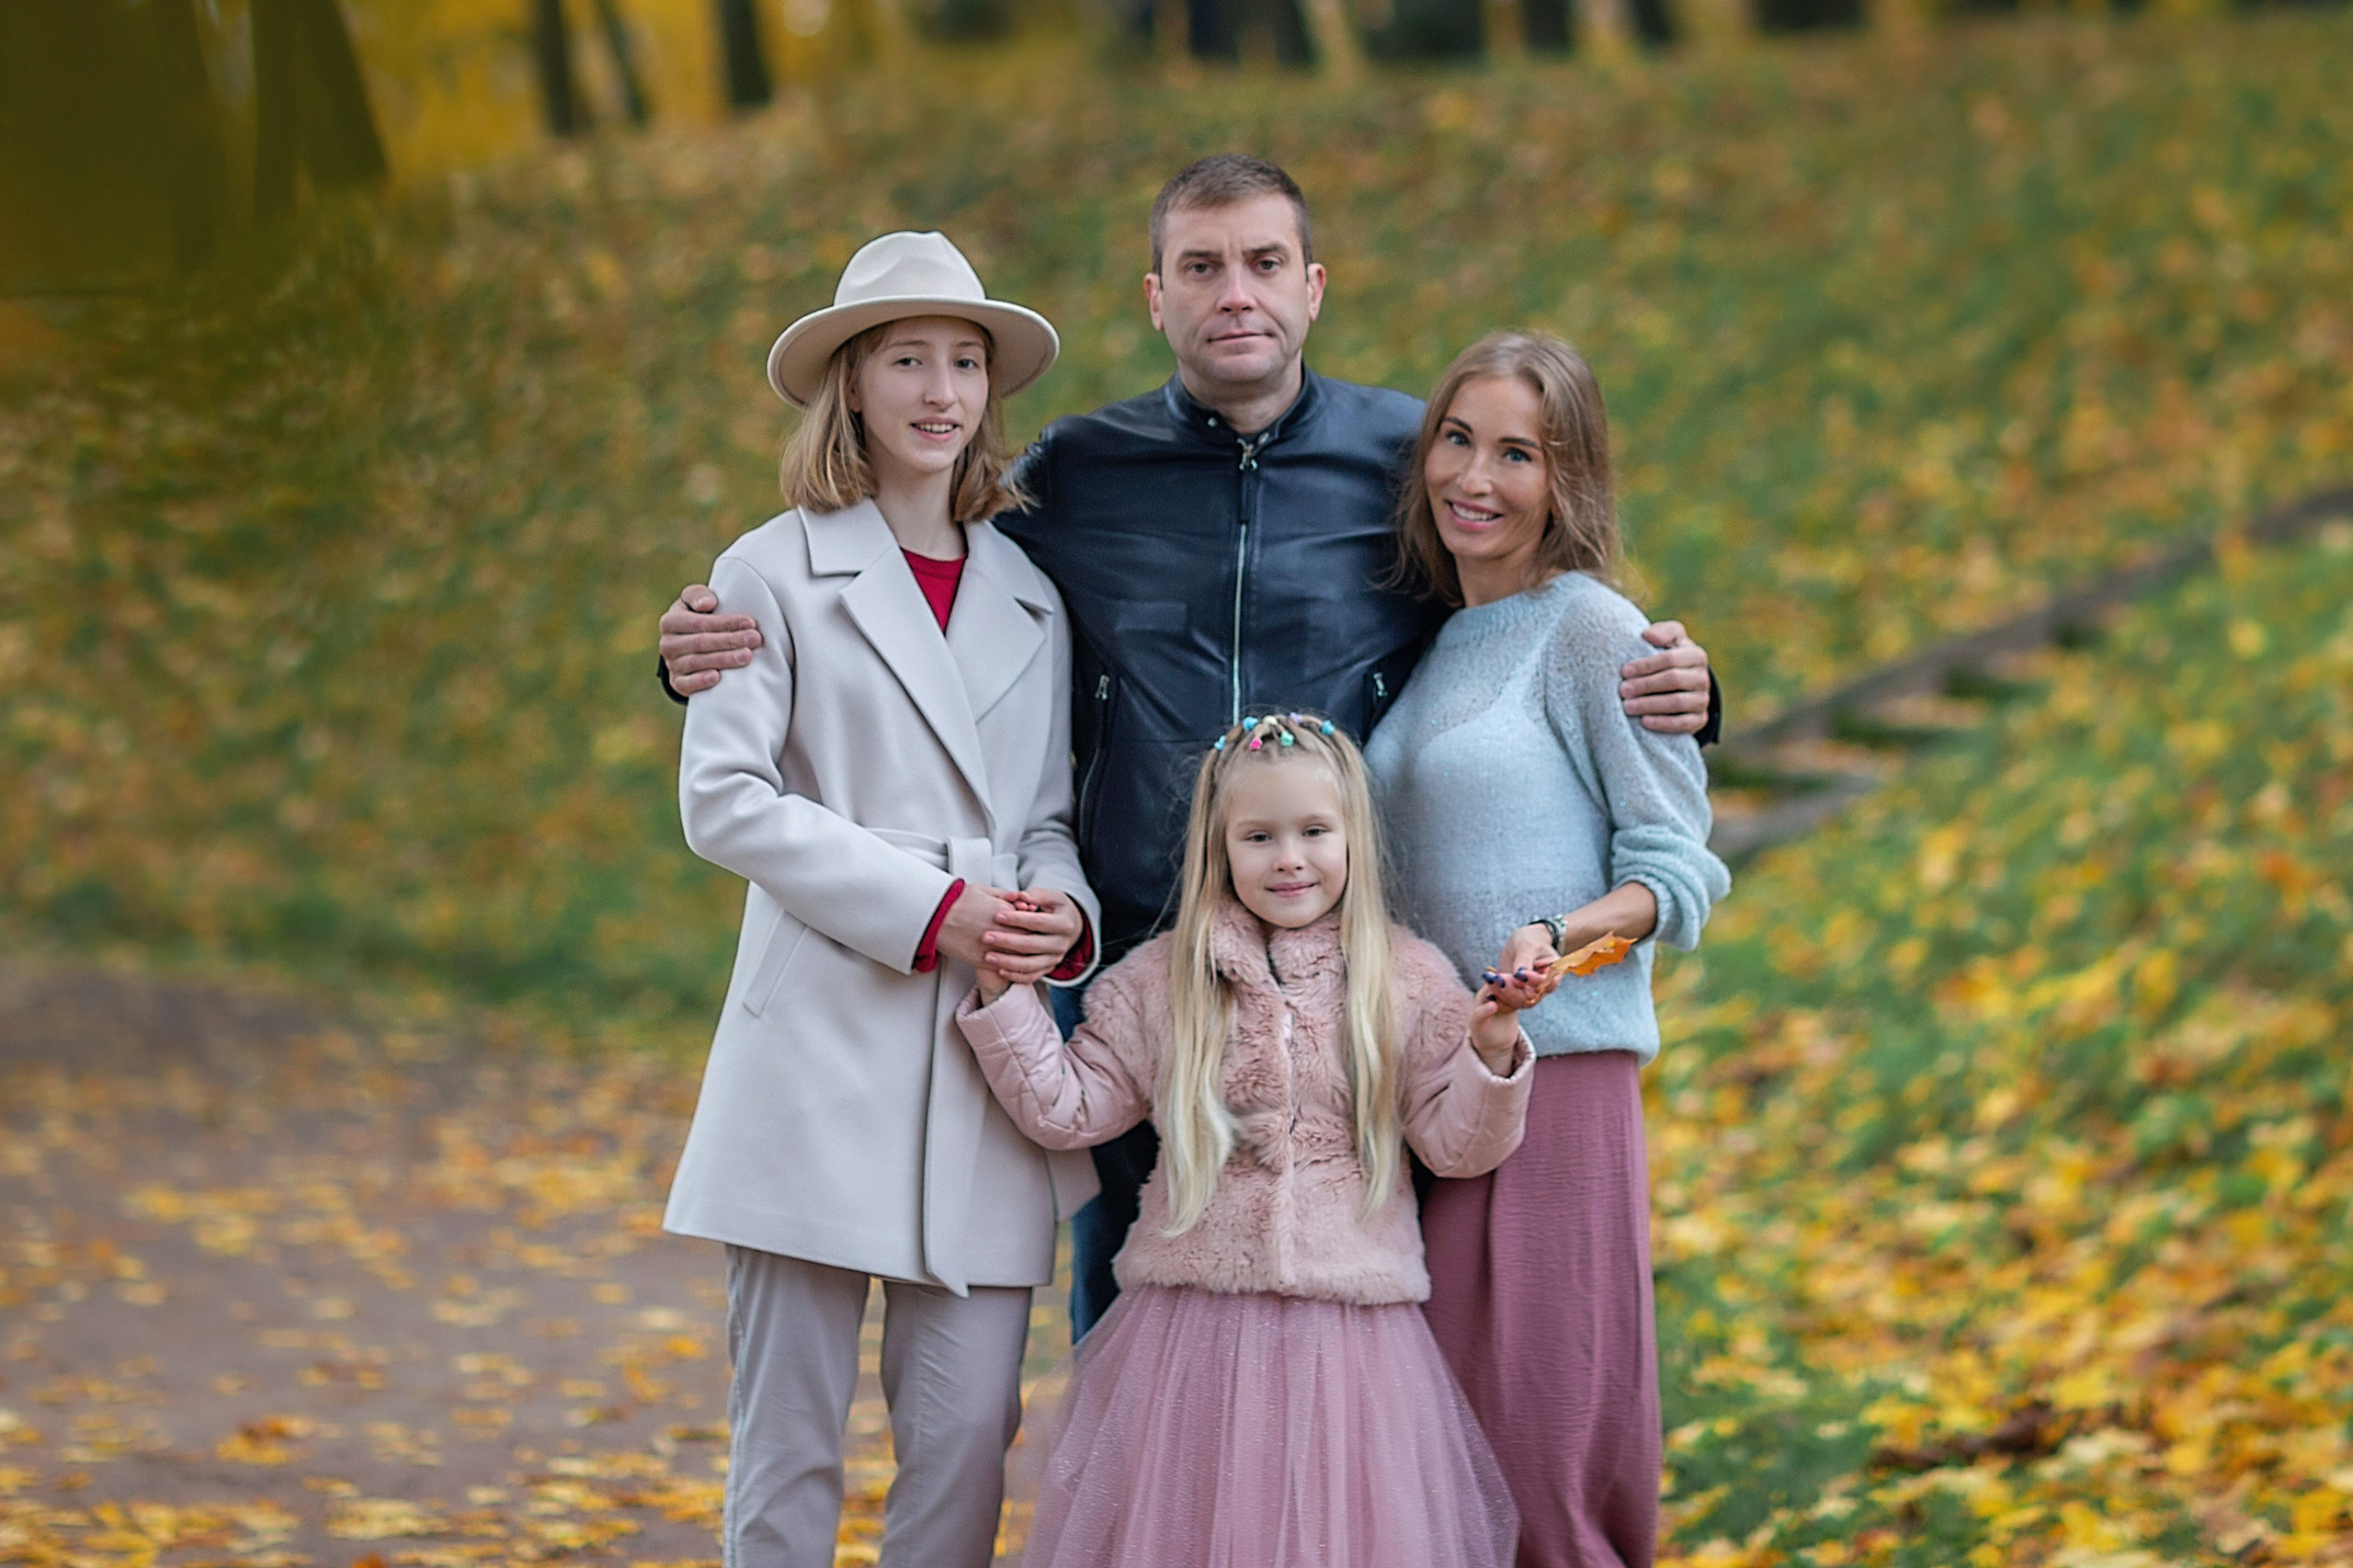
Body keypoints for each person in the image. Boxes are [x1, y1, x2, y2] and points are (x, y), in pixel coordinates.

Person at [654, 155, 1721, 1338]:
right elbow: (916, 590)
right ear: (1155, 297)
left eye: (1264, 264)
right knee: (1126, 1318)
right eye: (1200, 267)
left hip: (1346, 983)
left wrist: (1680, 684)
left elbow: (1520, 603)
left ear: (1312, 286)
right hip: (1131, 964)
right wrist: (710, 648)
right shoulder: (1075, 473)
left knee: (1347, 1322)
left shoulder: (1404, 460)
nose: (1235, 295)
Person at [664, 230, 1102, 1568]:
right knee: (787, 1444)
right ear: (851, 383)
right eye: (907, 358)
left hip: (985, 1061)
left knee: (967, 1446)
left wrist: (1057, 910)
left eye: (965, 361)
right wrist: (933, 912)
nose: (940, 388)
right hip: (816, 1051)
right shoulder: (767, 570)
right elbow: (725, 801)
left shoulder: (1032, 590)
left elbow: (1041, 814)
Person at [954, 712, 1549, 1568]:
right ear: (1220, 847)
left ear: (1354, 838)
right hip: (1191, 1326)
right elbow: (1070, 1110)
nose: (1290, 858)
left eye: (1314, 831)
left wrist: (1491, 1050)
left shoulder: (1405, 976)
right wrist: (1007, 997)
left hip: (1352, 1337)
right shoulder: (1166, 979)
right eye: (1259, 836)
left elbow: (1458, 1148)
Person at [1363, 332, 1732, 1568]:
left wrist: (1558, 940)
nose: (1477, 474)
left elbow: (1679, 867)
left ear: (1565, 480)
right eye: (1458, 439)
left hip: (1557, 1088)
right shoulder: (1432, 646)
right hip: (1435, 1095)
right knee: (1451, 1464)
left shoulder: (1590, 628)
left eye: (1518, 451)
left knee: (1546, 1463)